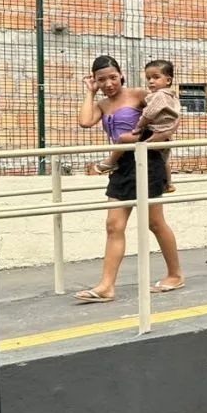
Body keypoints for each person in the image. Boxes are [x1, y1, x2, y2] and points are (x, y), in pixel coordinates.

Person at [74, 55, 185, 302]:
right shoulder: (102, 104)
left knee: (155, 223)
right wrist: (91, 93)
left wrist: (148, 140)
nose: (109, 83)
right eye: (102, 80)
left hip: (146, 162)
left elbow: (169, 112)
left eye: (113, 77)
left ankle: (175, 275)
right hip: (120, 166)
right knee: (113, 225)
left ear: (121, 75)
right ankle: (106, 286)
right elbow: (84, 122)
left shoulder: (139, 95)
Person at [97, 60, 181, 194]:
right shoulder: (169, 95)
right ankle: (168, 184)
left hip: (154, 131)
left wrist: (139, 126)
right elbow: (85, 122)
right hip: (160, 134)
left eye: (156, 77)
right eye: (148, 78)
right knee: (163, 160)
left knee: (123, 138)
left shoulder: (157, 96)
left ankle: (110, 162)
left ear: (168, 80)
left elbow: (148, 113)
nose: (151, 82)